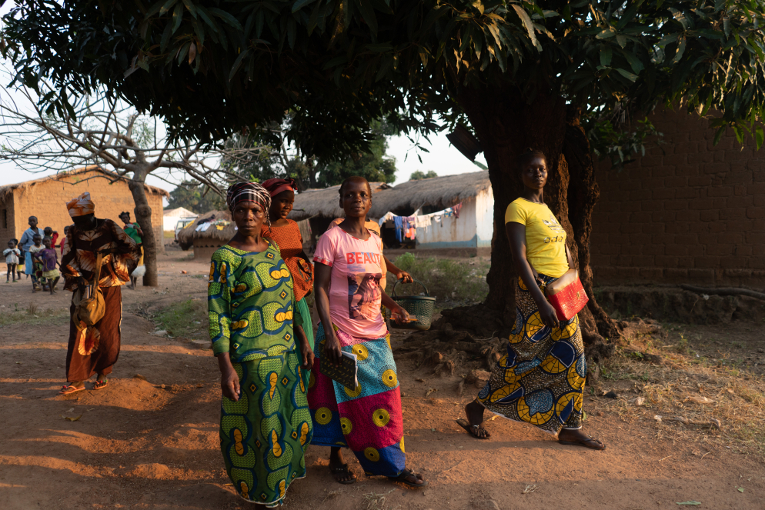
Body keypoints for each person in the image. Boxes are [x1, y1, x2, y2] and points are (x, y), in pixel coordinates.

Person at [460, 149, 605, 450]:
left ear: (547, 173)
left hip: (561, 293)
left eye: (541, 169)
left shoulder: (548, 210)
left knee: (574, 356)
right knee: (523, 358)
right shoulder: (517, 207)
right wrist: (540, 300)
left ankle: (571, 427)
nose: (537, 174)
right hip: (536, 294)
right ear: (521, 174)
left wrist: (569, 280)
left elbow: (560, 249)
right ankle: (478, 407)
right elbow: (519, 258)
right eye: (530, 169)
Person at [309, 176, 426, 487]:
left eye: (362, 195)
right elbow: (318, 288)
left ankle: (392, 465)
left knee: (387, 396)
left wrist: (394, 307)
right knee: (339, 398)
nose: (356, 199)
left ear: (370, 201)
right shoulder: (330, 238)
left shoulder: (375, 241)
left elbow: (373, 284)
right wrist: (330, 334)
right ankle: (336, 456)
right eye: (349, 194)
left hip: (375, 333)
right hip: (341, 334)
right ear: (341, 201)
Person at [208, 182, 314, 507]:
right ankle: (265, 492)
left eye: (255, 210)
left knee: (295, 420)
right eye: (241, 210)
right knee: (264, 430)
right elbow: (218, 314)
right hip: (252, 358)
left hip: (286, 353)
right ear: (233, 213)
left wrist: (303, 339)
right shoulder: (225, 257)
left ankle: (285, 477)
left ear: (263, 213)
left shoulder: (271, 249)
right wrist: (226, 368)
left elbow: (285, 297)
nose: (248, 216)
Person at [59, 192, 140, 395]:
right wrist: (77, 277)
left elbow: (131, 247)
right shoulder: (72, 232)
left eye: (83, 219)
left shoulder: (109, 226)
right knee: (79, 331)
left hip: (109, 286)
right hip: (84, 287)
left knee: (107, 331)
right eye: (76, 220)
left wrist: (115, 263)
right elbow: (67, 256)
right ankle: (76, 380)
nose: (80, 224)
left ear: (92, 214)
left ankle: (102, 374)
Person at [261, 178, 316, 361]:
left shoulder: (293, 225)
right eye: (284, 201)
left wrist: (309, 274)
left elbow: (299, 252)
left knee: (305, 340)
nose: (288, 206)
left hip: (297, 290)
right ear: (269, 199)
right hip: (274, 291)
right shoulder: (260, 228)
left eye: (291, 203)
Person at [327, 217, 413, 291]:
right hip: (350, 292)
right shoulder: (337, 225)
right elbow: (328, 262)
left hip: (378, 290)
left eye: (364, 196)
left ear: (370, 202)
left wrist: (397, 271)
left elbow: (379, 255)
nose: (359, 200)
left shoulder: (375, 227)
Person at [18, 215, 41, 281]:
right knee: (31, 267)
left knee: (40, 266)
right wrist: (20, 246)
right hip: (29, 251)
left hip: (39, 251)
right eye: (30, 221)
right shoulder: (27, 232)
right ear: (28, 223)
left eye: (34, 221)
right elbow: (22, 242)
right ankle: (34, 281)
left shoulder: (41, 231)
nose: (32, 222)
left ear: (37, 222)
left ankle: (40, 280)